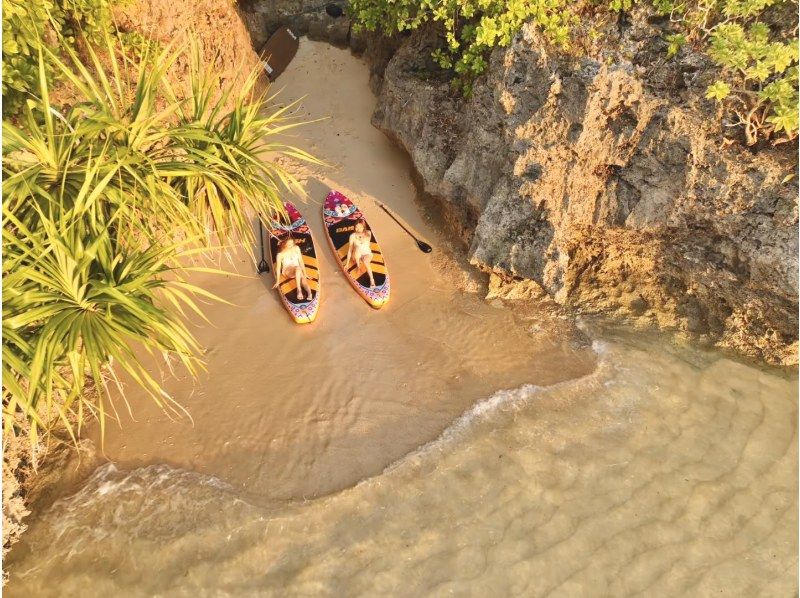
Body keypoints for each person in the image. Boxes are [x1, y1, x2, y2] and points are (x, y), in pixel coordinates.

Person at [273, 236, 313, 301]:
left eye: (292, 244)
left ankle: (309, 293)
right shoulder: (280, 254)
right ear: (284, 244)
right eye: (289, 244)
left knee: (303, 279)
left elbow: (301, 261)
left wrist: (305, 274)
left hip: (298, 270)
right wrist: (277, 281)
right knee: (298, 268)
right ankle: (299, 290)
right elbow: (278, 268)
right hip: (288, 271)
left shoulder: (296, 248)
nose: (291, 245)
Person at [345, 219, 376, 288]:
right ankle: (358, 266)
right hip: (356, 256)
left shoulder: (368, 233)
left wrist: (360, 239)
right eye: (356, 227)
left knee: (366, 261)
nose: (357, 229)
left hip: (367, 254)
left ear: (363, 227)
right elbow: (350, 250)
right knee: (358, 249)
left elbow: (364, 243)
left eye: (359, 227)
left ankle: (372, 280)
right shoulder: (352, 236)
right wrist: (347, 264)